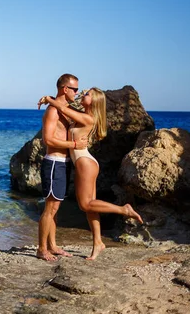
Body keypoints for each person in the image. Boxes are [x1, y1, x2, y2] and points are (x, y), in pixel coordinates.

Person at [39, 87, 143, 260]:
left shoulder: (88, 118)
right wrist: (53, 99)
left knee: (86, 205)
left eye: (87, 94)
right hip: (85, 161)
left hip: (85, 163)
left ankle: (123, 209)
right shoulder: (82, 114)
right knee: (91, 207)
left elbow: (63, 108)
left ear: (94, 101)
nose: (82, 94)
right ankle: (98, 243)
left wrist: (48, 99)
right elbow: (65, 108)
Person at [36, 74, 89, 262]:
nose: (77, 92)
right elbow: (48, 139)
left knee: (56, 208)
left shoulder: (64, 109)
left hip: (63, 164)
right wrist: (74, 146)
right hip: (53, 164)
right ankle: (42, 249)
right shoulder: (52, 111)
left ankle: (52, 245)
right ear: (65, 89)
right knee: (50, 208)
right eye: (74, 89)